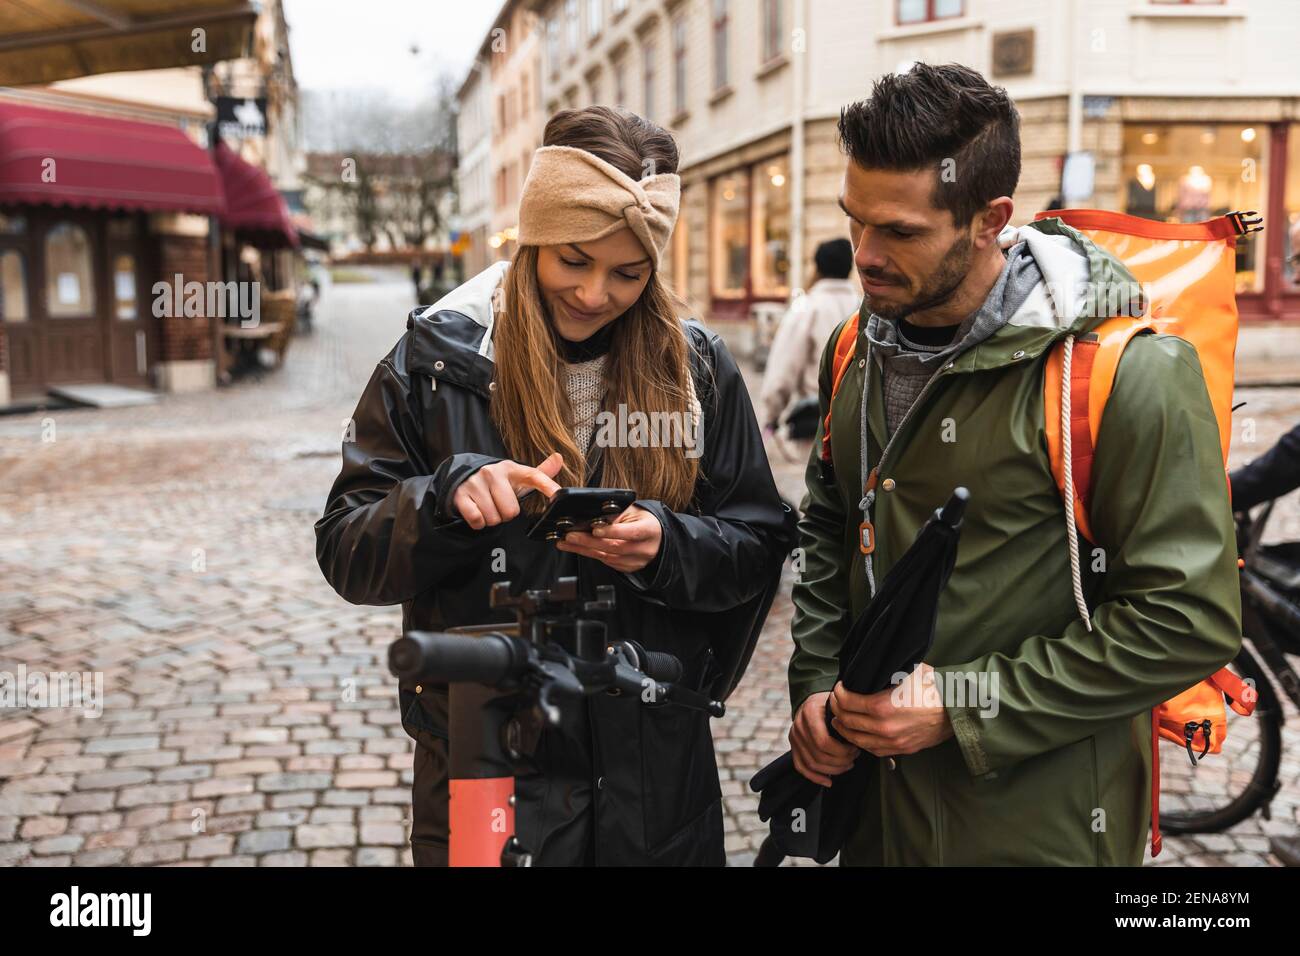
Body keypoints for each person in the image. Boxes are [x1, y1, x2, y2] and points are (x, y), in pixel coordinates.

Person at [787, 63, 1241, 865]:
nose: (864, 256)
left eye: (899, 232)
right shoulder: (856, 343)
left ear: (989, 218)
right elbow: (828, 523)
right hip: (876, 823)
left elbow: (1187, 622)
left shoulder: (1122, 373)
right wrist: (818, 683)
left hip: (1041, 829)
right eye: (855, 222)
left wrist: (964, 706)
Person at [315, 105, 793, 866]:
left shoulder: (696, 367)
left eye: (628, 272)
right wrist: (445, 500)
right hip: (488, 768)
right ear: (535, 235)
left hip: (654, 778)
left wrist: (667, 545)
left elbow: (760, 543)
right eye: (574, 260)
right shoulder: (436, 361)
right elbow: (347, 546)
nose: (597, 293)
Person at [758, 238, 860, 435]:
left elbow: (782, 372)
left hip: (815, 424)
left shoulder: (806, 308)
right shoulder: (862, 307)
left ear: (818, 267)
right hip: (857, 425)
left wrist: (771, 417)